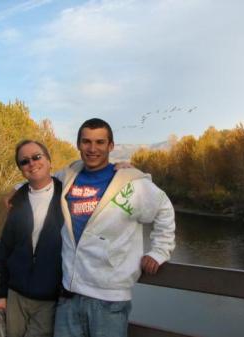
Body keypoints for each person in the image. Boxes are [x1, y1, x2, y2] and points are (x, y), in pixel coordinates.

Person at [53, 118, 176, 337]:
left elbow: (163, 208)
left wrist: (160, 250)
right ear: (78, 144)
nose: (93, 149)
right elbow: (40, 182)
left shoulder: (130, 183)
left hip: (109, 301)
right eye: (86, 142)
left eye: (100, 142)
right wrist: (16, 191)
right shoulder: (69, 175)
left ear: (111, 146)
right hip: (68, 296)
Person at [0, 140, 63, 337]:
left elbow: (95, 174)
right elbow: (5, 250)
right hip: (16, 295)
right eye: (24, 161)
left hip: (49, 298)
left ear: (49, 160)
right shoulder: (17, 201)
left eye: (37, 157)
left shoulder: (67, 194)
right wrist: (2, 294)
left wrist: (122, 169)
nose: (31, 163)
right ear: (21, 169)